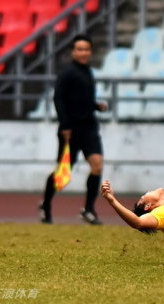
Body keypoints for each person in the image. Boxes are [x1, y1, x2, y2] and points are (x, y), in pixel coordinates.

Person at [38, 34, 107, 225]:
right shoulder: (67, 73)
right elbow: (58, 99)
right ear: (73, 52)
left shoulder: (88, 72)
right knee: (63, 172)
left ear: (90, 52)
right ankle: (45, 204)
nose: (84, 52)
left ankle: (88, 209)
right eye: (80, 49)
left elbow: (81, 99)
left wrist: (95, 106)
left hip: (89, 127)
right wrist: (65, 124)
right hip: (71, 130)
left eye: (87, 49)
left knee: (97, 165)